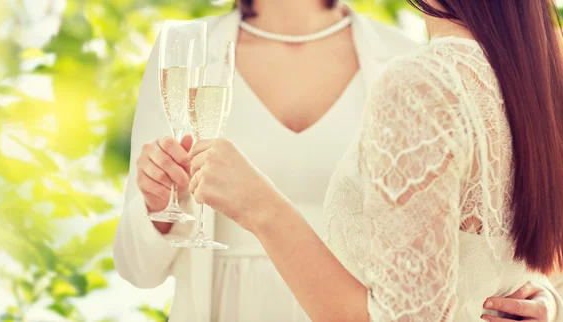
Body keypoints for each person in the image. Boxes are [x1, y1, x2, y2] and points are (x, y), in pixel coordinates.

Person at [112, 0, 563, 321]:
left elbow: (491, 229)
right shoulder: (186, 53)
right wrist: (158, 209)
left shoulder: (408, 59)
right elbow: (136, 268)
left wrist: (539, 296)